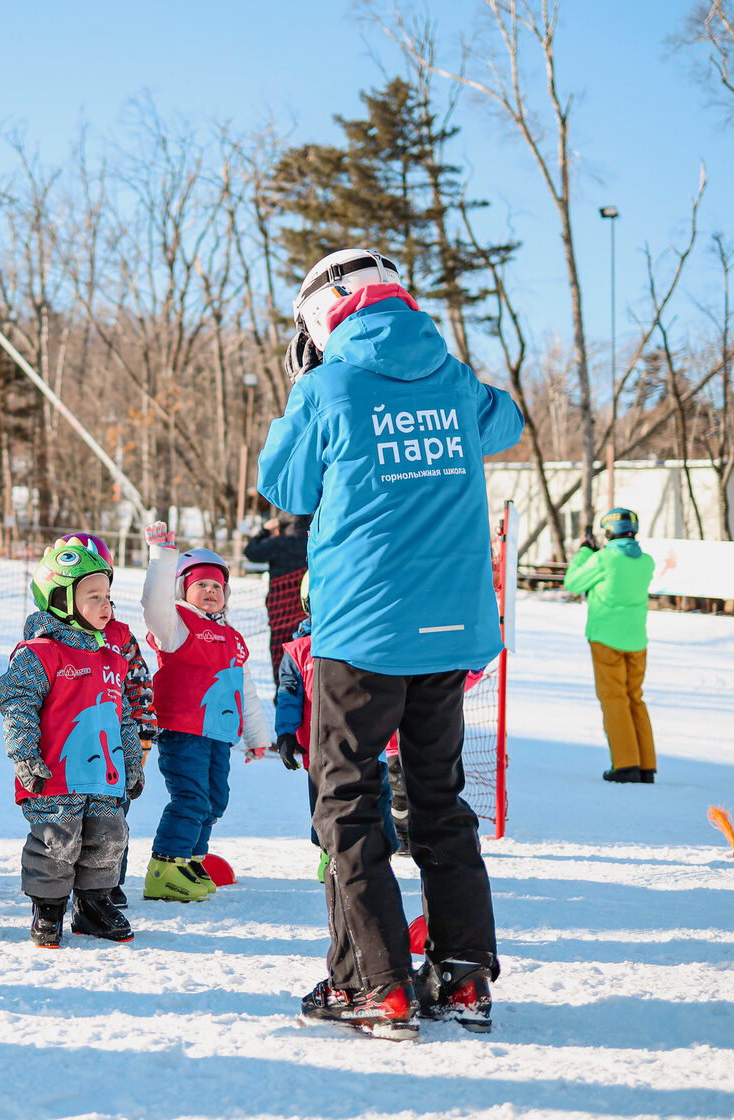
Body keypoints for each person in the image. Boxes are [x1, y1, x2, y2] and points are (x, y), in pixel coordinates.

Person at [258, 247, 523, 1039]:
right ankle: (465, 976)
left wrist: (309, 386)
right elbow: (503, 421)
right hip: (451, 630)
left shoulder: (328, 384)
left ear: (318, 318)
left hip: (364, 632)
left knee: (347, 800)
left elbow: (286, 486)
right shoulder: (446, 373)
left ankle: (375, 982)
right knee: (440, 799)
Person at [0, 537, 143, 947]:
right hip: (55, 775)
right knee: (56, 842)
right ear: (61, 600)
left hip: (104, 774)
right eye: (93, 596)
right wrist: (24, 756)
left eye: (108, 596)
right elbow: (17, 706)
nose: (106, 606)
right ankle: (48, 909)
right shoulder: (38, 654)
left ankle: (94, 904)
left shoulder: (113, 657)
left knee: (109, 837)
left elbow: (123, 717)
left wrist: (131, 762)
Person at [138, 524, 267, 903]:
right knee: (190, 798)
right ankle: (165, 867)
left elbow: (245, 689)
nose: (211, 592)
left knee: (214, 799)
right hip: (184, 730)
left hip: (219, 734)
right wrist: (162, 557)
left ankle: (191, 860)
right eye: (201, 585)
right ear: (183, 591)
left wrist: (257, 737)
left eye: (217, 587)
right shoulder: (176, 625)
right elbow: (154, 604)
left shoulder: (232, 637)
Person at [273, 583, 401, 884]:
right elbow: (289, 694)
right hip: (321, 746)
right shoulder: (299, 650)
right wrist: (286, 733)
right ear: (309, 605)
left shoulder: (366, 640)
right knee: (326, 801)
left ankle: (381, 854)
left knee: (377, 797)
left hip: (369, 742)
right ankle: (330, 853)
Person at [564, 508, 658, 784]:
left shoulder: (604, 559)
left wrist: (584, 551)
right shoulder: (647, 562)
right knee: (634, 699)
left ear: (609, 532)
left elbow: (573, 582)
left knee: (614, 700)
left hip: (606, 639)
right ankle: (646, 765)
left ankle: (626, 765)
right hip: (637, 641)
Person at [243, 512, 311, 683]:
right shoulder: (314, 542)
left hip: (279, 611)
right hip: (308, 611)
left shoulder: (278, 543)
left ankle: (282, 694)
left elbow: (251, 551)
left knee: (279, 656)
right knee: (305, 655)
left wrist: (264, 531)